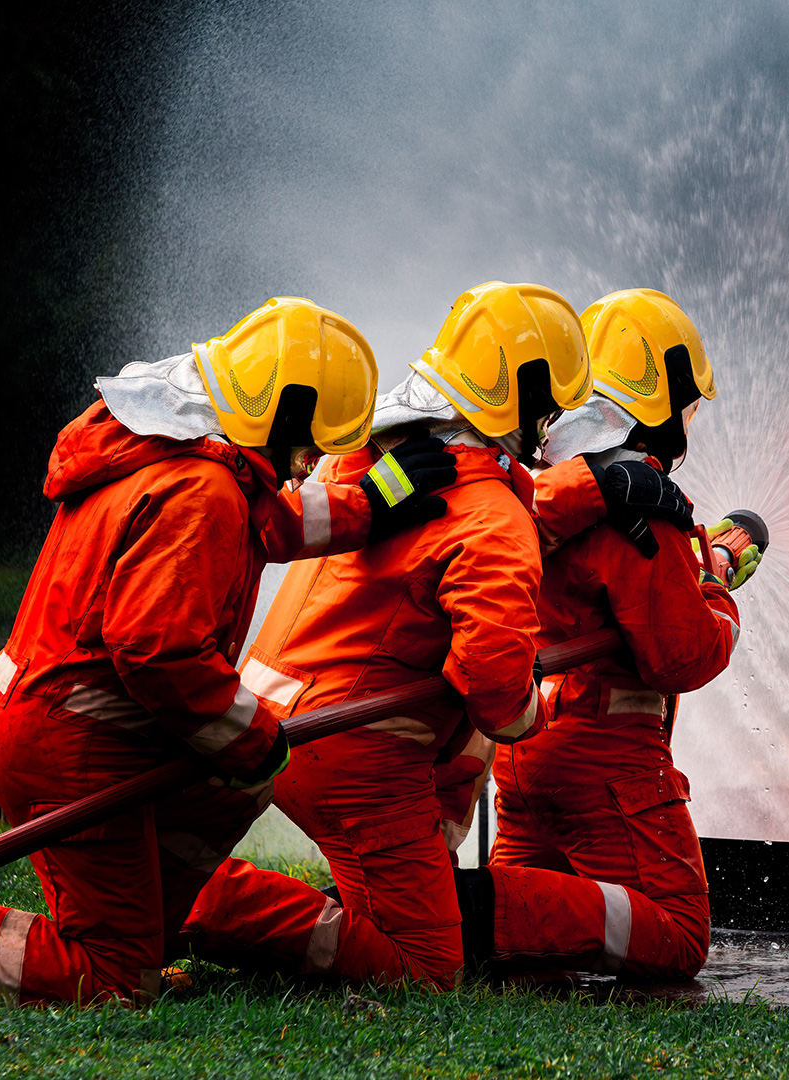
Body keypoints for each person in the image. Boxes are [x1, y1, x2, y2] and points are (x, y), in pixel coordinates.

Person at [0, 297, 459, 1006]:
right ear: (283, 410)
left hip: (66, 719)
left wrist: (379, 496)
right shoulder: (200, 489)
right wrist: (250, 732)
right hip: (77, 742)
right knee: (112, 981)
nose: (309, 463)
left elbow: (266, 523)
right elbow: (158, 651)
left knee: (228, 786)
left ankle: (147, 929)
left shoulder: (180, 451)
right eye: (308, 444)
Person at [180, 281, 684, 989]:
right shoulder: (493, 519)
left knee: (393, 916)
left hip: (282, 721)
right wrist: (534, 717)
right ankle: (194, 904)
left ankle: (189, 896)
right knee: (424, 969)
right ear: (529, 398)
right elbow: (497, 694)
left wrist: (596, 488)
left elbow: (476, 506)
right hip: (358, 754)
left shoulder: (379, 461)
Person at [459, 288, 761, 981]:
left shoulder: (546, 482)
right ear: (657, 410)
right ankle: (455, 906)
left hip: (527, 746)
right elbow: (680, 656)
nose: (689, 426)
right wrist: (715, 588)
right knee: (676, 934)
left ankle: (465, 909)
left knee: (533, 917)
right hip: (607, 763)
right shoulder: (640, 511)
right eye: (687, 409)